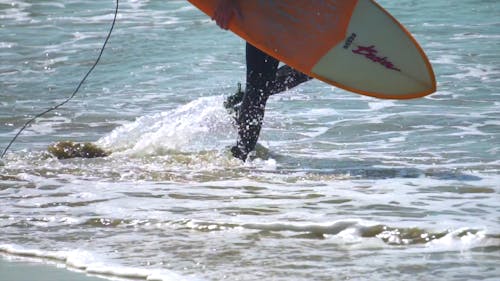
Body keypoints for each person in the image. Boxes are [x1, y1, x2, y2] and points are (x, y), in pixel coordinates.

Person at [213, 0, 312, 161]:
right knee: (258, 87)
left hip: (306, 11)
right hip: (268, 11)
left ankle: (244, 99)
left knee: (310, 68)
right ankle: (242, 158)